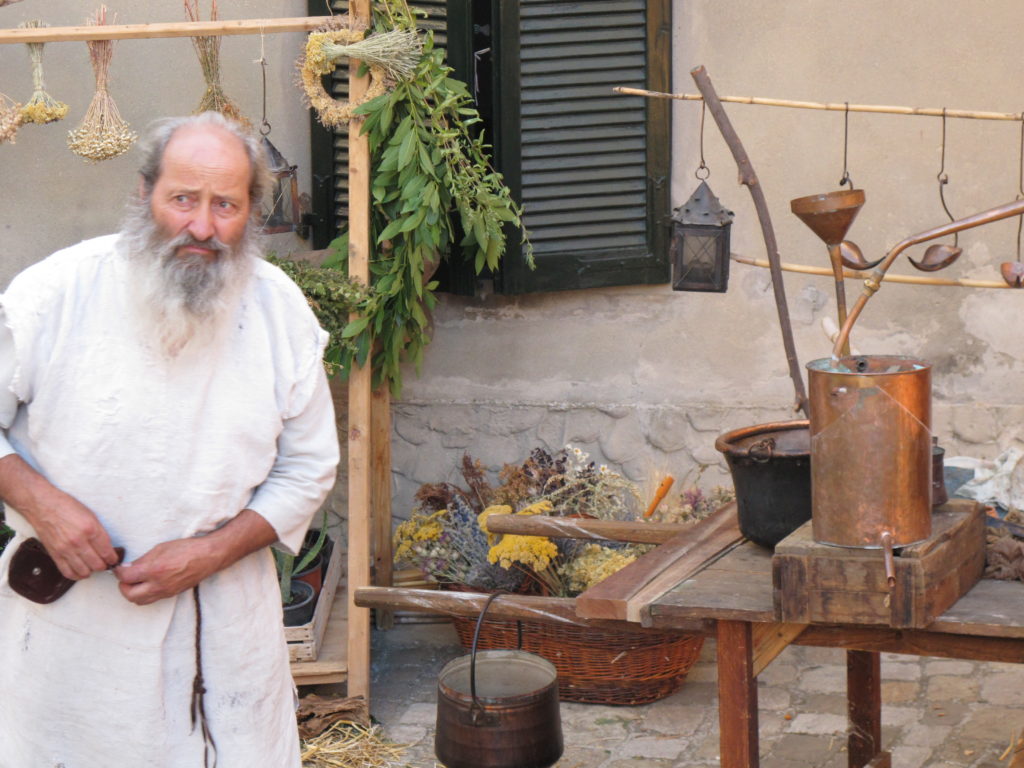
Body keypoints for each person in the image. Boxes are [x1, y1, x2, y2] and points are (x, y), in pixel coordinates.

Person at [0, 112, 340, 768]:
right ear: (144, 192)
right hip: (75, 639)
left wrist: (211, 552)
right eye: (183, 198)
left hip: (226, 636)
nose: (203, 226)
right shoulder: (54, 295)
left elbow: (309, 467)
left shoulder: (278, 311)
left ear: (251, 212)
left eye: (226, 205)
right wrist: (42, 503)